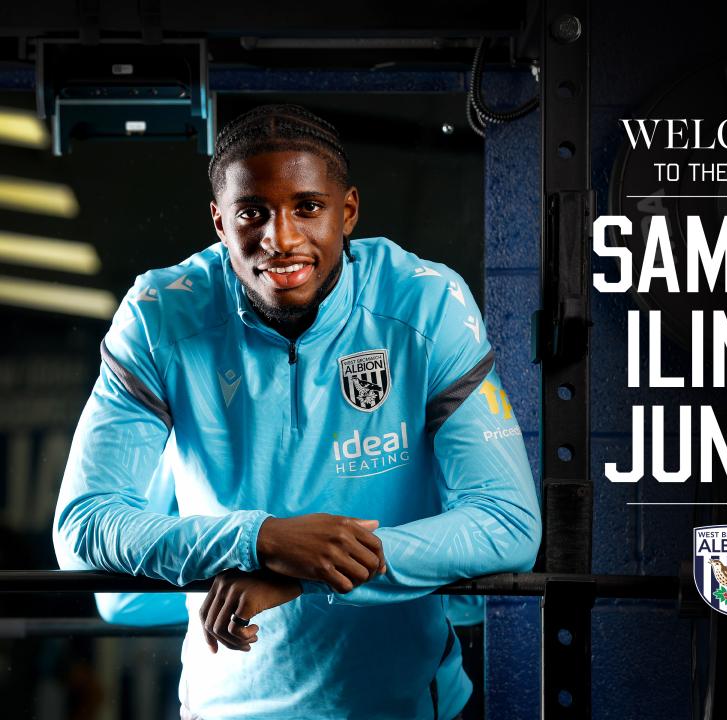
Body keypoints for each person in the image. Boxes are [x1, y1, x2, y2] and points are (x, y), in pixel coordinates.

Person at [51, 104, 542, 720]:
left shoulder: (425, 301)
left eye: (307, 207)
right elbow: (84, 530)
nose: (280, 239)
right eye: (252, 213)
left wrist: (301, 571)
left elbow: (510, 524)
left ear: (348, 212)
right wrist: (261, 539)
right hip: (228, 709)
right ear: (219, 221)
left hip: (407, 707)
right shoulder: (159, 314)